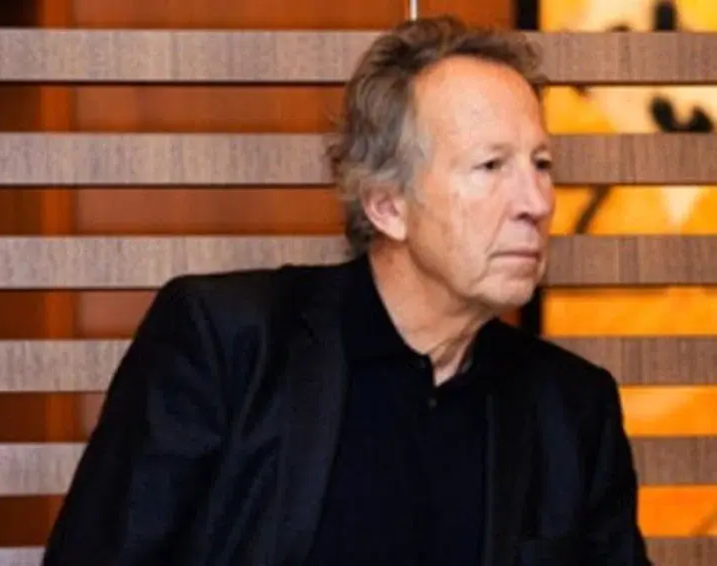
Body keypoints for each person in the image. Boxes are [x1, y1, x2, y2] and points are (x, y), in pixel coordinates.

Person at [41, 16, 652, 566]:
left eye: (541, 165)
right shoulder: (226, 347)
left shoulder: (572, 407)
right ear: (387, 206)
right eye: (491, 166)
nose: (536, 202)